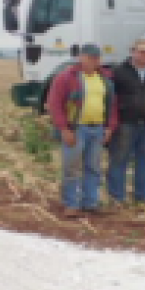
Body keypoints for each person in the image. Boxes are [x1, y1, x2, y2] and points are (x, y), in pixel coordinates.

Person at [45, 44, 118, 217]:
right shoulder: (66, 78)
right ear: (81, 58)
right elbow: (55, 104)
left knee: (93, 168)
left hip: (98, 128)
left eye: (96, 58)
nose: (94, 61)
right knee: (72, 168)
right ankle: (71, 204)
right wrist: (64, 129)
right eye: (90, 57)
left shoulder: (105, 79)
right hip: (76, 129)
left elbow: (112, 105)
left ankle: (90, 203)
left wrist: (109, 127)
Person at [107, 39, 145, 206]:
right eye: (141, 51)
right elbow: (110, 98)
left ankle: (143, 195)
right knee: (119, 159)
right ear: (132, 51)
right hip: (126, 122)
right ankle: (116, 196)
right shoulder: (119, 72)